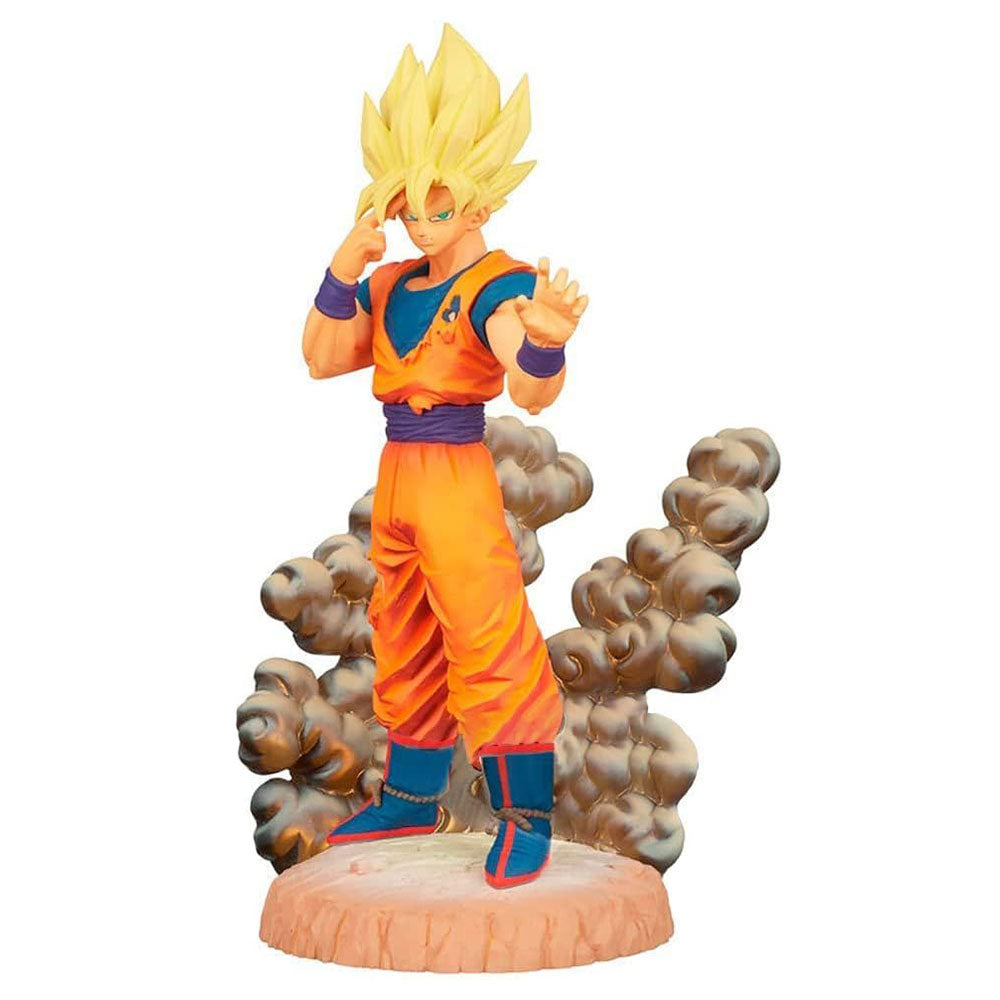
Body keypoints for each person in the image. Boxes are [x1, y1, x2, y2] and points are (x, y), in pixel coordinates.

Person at [302, 25, 587, 889]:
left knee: (485, 628)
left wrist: (545, 341)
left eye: (439, 206)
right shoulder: (392, 282)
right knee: (403, 628)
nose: (421, 224)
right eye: (409, 209)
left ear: (479, 203)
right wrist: (341, 269)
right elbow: (322, 355)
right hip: (397, 472)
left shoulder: (498, 283)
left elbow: (527, 383)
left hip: (456, 472)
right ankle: (413, 794)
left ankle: (526, 815)